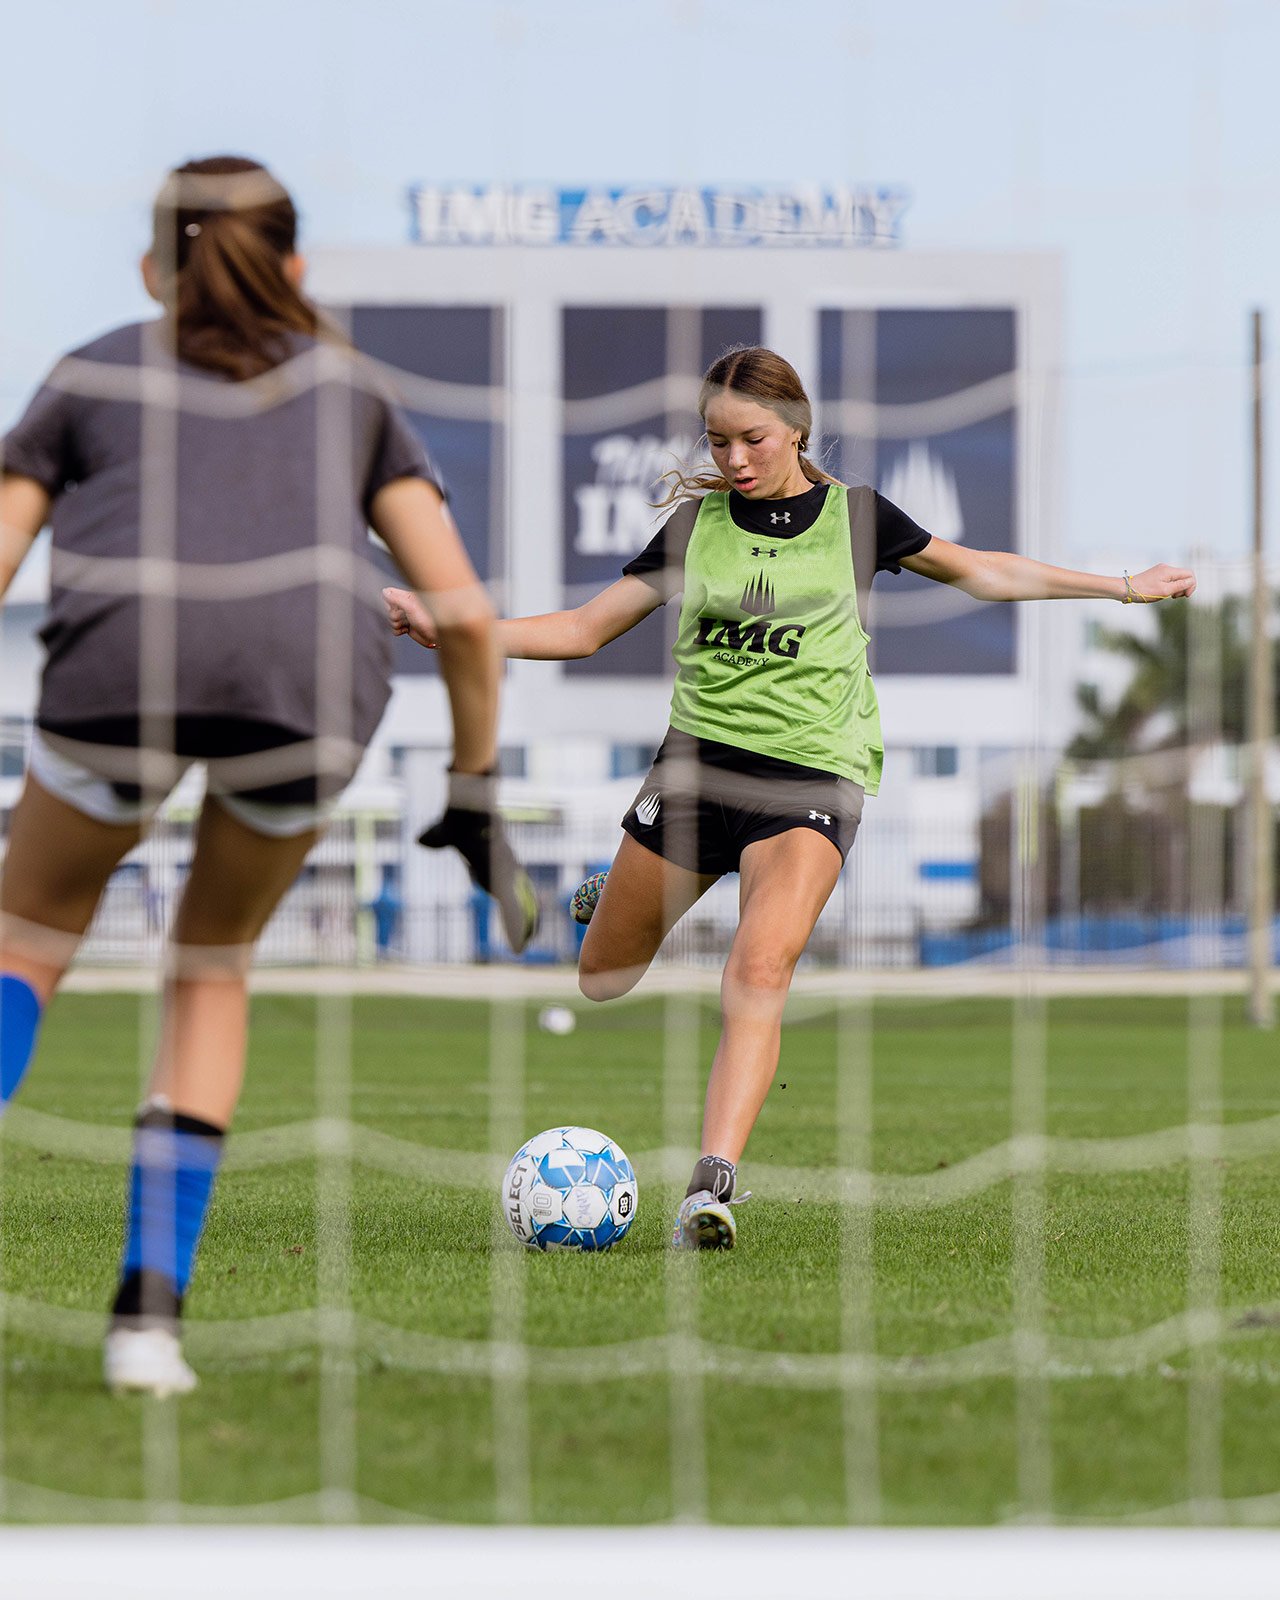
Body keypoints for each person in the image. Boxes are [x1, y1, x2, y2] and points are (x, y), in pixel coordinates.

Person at [385, 344, 1196, 1250]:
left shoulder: (857, 519)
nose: (734, 460)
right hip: (696, 772)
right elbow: (582, 630)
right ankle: (622, 892)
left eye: (753, 440)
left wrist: (1122, 587)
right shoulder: (695, 529)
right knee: (602, 977)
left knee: (760, 967)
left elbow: (985, 571)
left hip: (812, 774)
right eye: (717, 442)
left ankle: (710, 1188)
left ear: (797, 427)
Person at [0, 155, 533, 1397]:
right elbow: (463, 614)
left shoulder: (89, 370)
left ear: (153, 269)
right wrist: (471, 786)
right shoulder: (352, 389)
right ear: (293, 266)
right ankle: (146, 1327)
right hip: (307, 680)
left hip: (121, 663)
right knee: (209, 964)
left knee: (24, 943)